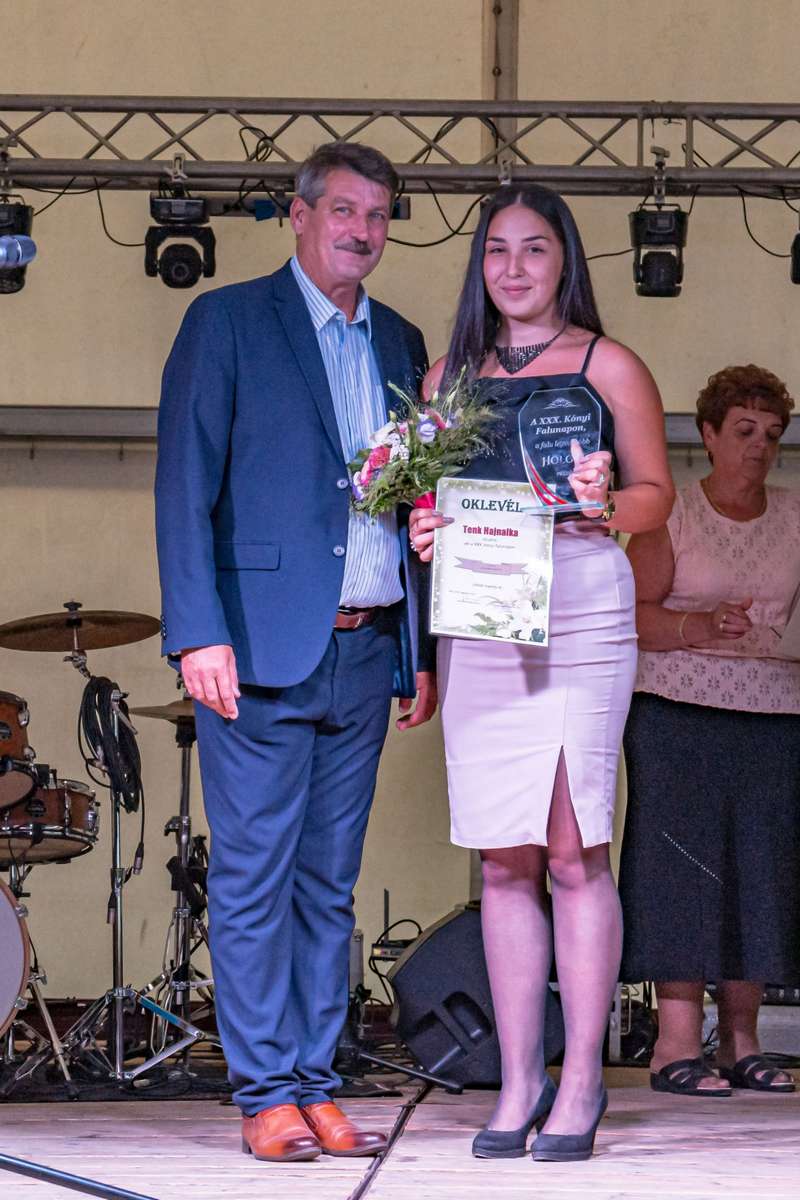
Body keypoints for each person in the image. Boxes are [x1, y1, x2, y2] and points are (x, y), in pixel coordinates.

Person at [154, 141, 437, 1163]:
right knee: (252, 879)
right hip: (258, 648)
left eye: (379, 215)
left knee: (328, 883)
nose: (363, 230)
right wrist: (196, 631)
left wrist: (418, 650)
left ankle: (318, 1082)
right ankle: (265, 1091)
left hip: (367, 647)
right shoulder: (227, 320)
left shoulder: (400, 340)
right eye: (345, 210)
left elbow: (409, 502)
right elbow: (183, 483)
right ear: (300, 214)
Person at [409, 184, 674, 1163]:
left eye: (532, 248)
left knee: (571, 850)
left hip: (579, 602)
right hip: (482, 613)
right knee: (501, 858)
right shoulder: (447, 375)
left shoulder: (609, 364)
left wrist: (609, 500)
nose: (512, 267)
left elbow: (656, 497)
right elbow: (425, 498)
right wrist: (425, 527)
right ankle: (519, 1079)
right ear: (478, 265)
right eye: (496, 250)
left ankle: (581, 1078)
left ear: (564, 259)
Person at [619, 364, 799, 1097]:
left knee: (762, 871)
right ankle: (674, 1046)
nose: (760, 447)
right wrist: (697, 625)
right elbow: (626, 613)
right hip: (676, 713)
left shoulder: (796, 516)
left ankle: (743, 1042)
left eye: (773, 434)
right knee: (681, 872)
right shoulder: (673, 514)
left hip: (776, 715)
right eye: (745, 430)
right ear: (710, 434)